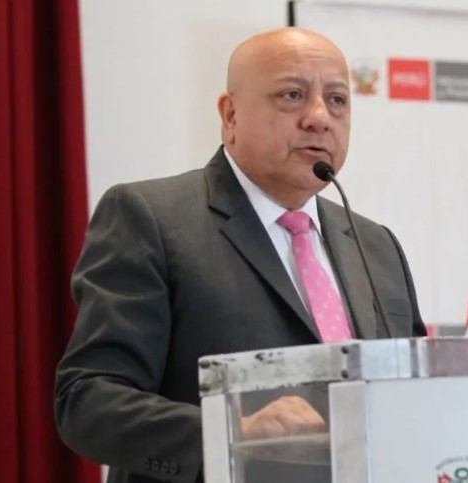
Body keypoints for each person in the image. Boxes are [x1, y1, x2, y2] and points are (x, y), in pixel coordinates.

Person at [54, 27, 426, 483]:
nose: (319, 118)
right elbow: (87, 401)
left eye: (337, 100)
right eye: (292, 95)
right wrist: (230, 434)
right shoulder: (150, 218)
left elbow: (415, 401)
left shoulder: (377, 246)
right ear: (230, 115)